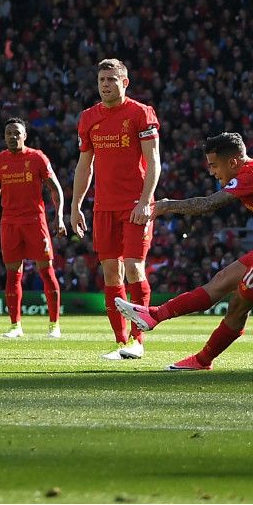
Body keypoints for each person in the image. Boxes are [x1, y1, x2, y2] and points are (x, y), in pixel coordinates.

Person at [117, 133, 253, 370]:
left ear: (233, 162)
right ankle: (155, 315)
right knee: (221, 281)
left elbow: (209, 204)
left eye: (214, 165)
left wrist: (164, 206)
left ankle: (203, 360)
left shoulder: (251, 175)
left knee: (238, 305)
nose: (212, 172)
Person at [68, 58, 160, 361]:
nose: (106, 85)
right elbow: (85, 166)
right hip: (103, 207)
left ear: (125, 82)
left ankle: (138, 339)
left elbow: (154, 162)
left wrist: (146, 201)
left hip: (135, 204)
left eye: (111, 79)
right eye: (101, 80)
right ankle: (121, 341)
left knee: (134, 266)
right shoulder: (88, 118)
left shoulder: (140, 113)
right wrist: (76, 205)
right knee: (111, 272)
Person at [0, 118, 67, 339]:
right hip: (9, 222)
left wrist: (60, 216)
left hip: (35, 222)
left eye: (17, 133)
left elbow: (55, 188)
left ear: (25, 136)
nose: (12, 137)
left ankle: (54, 324)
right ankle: (15, 325)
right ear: (4, 136)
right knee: (12, 274)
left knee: (46, 271)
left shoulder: (37, 158)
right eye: (8, 133)